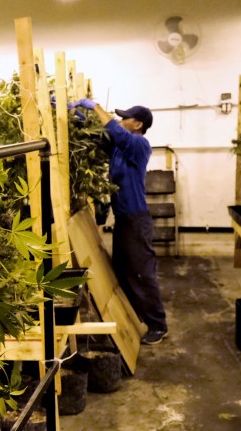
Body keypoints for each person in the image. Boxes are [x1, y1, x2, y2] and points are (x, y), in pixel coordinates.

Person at [69, 98, 168, 345]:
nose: (121, 121)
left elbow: (115, 132)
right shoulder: (119, 147)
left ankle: (158, 324)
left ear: (138, 124)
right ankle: (135, 316)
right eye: (121, 117)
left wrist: (95, 107)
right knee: (123, 271)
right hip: (124, 219)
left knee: (142, 273)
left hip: (137, 220)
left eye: (126, 118)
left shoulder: (139, 145)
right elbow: (98, 138)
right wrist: (75, 117)